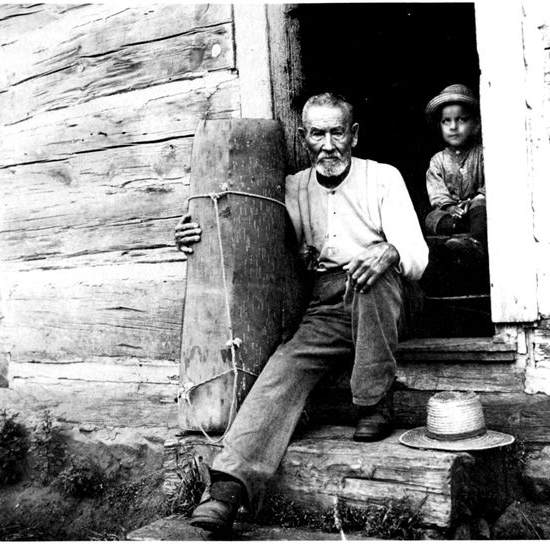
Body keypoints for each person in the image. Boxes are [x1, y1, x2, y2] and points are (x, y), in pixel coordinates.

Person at [174, 92, 428, 533]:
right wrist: (198, 230)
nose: (328, 145)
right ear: (303, 137)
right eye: (317, 134)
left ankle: (373, 401)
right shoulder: (293, 188)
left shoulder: (383, 178)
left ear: (354, 135)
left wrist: (387, 251)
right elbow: (243, 222)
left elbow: (417, 257)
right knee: (285, 367)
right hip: (327, 306)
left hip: (392, 298)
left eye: (337, 133)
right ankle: (227, 489)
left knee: (371, 274)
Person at [423, 84, 487, 264]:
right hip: (453, 213)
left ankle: (474, 242)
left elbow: (491, 182)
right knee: (431, 218)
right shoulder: (438, 160)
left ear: (476, 125)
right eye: (446, 121)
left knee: (481, 208)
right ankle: (457, 238)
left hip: (477, 208)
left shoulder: (482, 153)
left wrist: (477, 199)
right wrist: (450, 207)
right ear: (440, 126)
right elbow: (437, 192)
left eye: (461, 120)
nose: (453, 126)